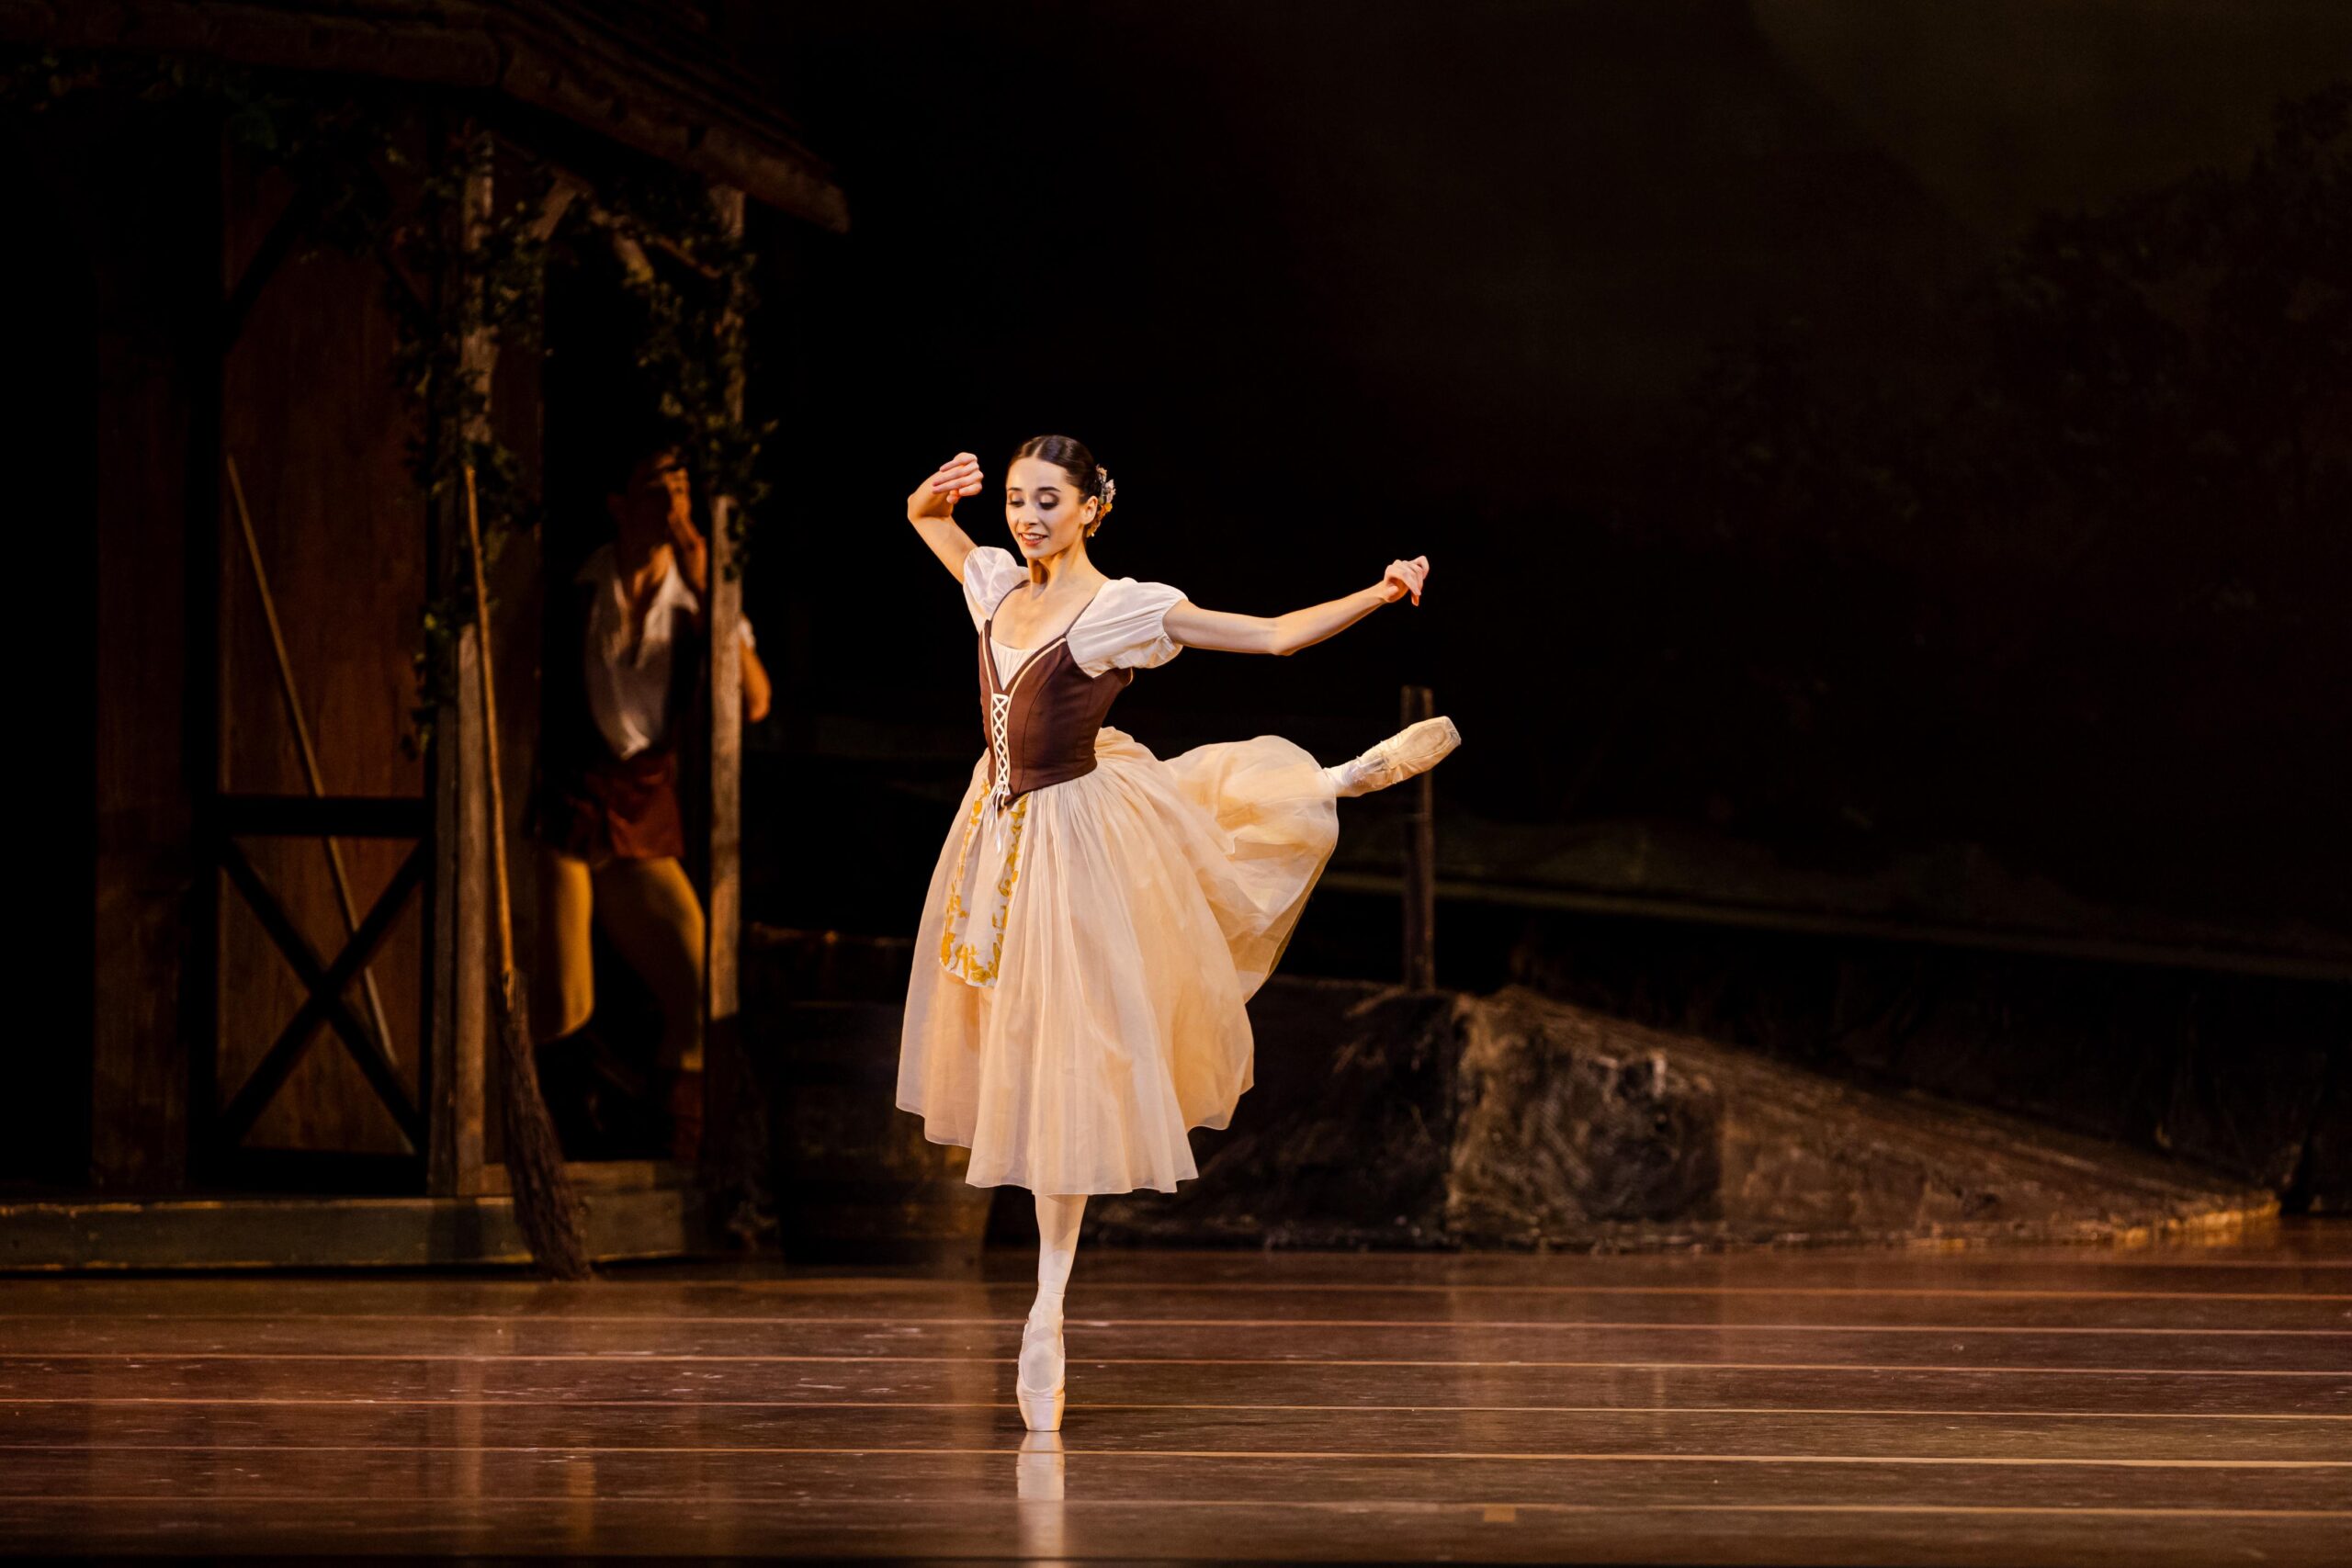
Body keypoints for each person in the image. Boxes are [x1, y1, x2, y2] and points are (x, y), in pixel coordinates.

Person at [895, 435, 1459, 1430]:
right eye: (1017, 500)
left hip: (1075, 840)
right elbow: (932, 525)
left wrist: (1379, 593)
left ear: (1090, 510)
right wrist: (928, 497)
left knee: (1074, 1059)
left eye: (1047, 501)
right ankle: (1041, 1300)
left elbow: (1273, 638)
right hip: (994, 838)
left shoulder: (1123, 609)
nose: (1025, 517)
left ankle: (1046, 1309)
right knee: (1014, 1055)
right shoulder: (995, 587)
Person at [530, 436, 773, 1164]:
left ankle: (678, 1166)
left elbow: (755, 700)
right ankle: (547, 1153)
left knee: (700, 994)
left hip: (643, 806)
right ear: (619, 505)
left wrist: (709, 593)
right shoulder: (579, 586)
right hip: (573, 807)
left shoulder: (698, 595)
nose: (670, 505)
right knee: (566, 1001)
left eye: (680, 490)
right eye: (653, 489)